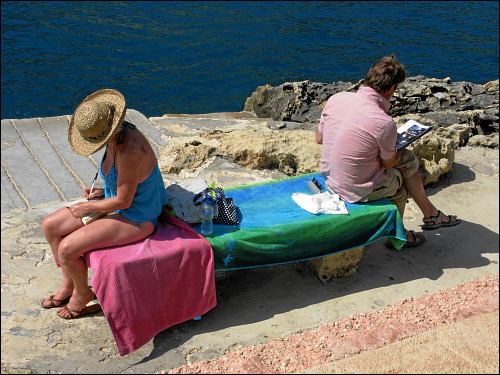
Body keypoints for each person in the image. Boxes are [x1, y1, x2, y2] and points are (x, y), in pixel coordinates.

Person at [41, 89, 169, 318]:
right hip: (115, 202)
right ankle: (68, 283)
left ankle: (82, 294)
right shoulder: (118, 135)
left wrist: (88, 206)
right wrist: (101, 192)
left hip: (136, 215)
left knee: (68, 248)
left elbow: (124, 200)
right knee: (50, 225)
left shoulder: (130, 152)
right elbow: (126, 184)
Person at [316, 55, 461, 248]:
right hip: (350, 189)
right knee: (399, 184)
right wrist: (398, 149)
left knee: (408, 159)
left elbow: (319, 138)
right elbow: (389, 164)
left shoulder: (336, 99)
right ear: (392, 89)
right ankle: (397, 238)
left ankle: (430, 214)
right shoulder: (383, 122)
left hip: (329, 175)